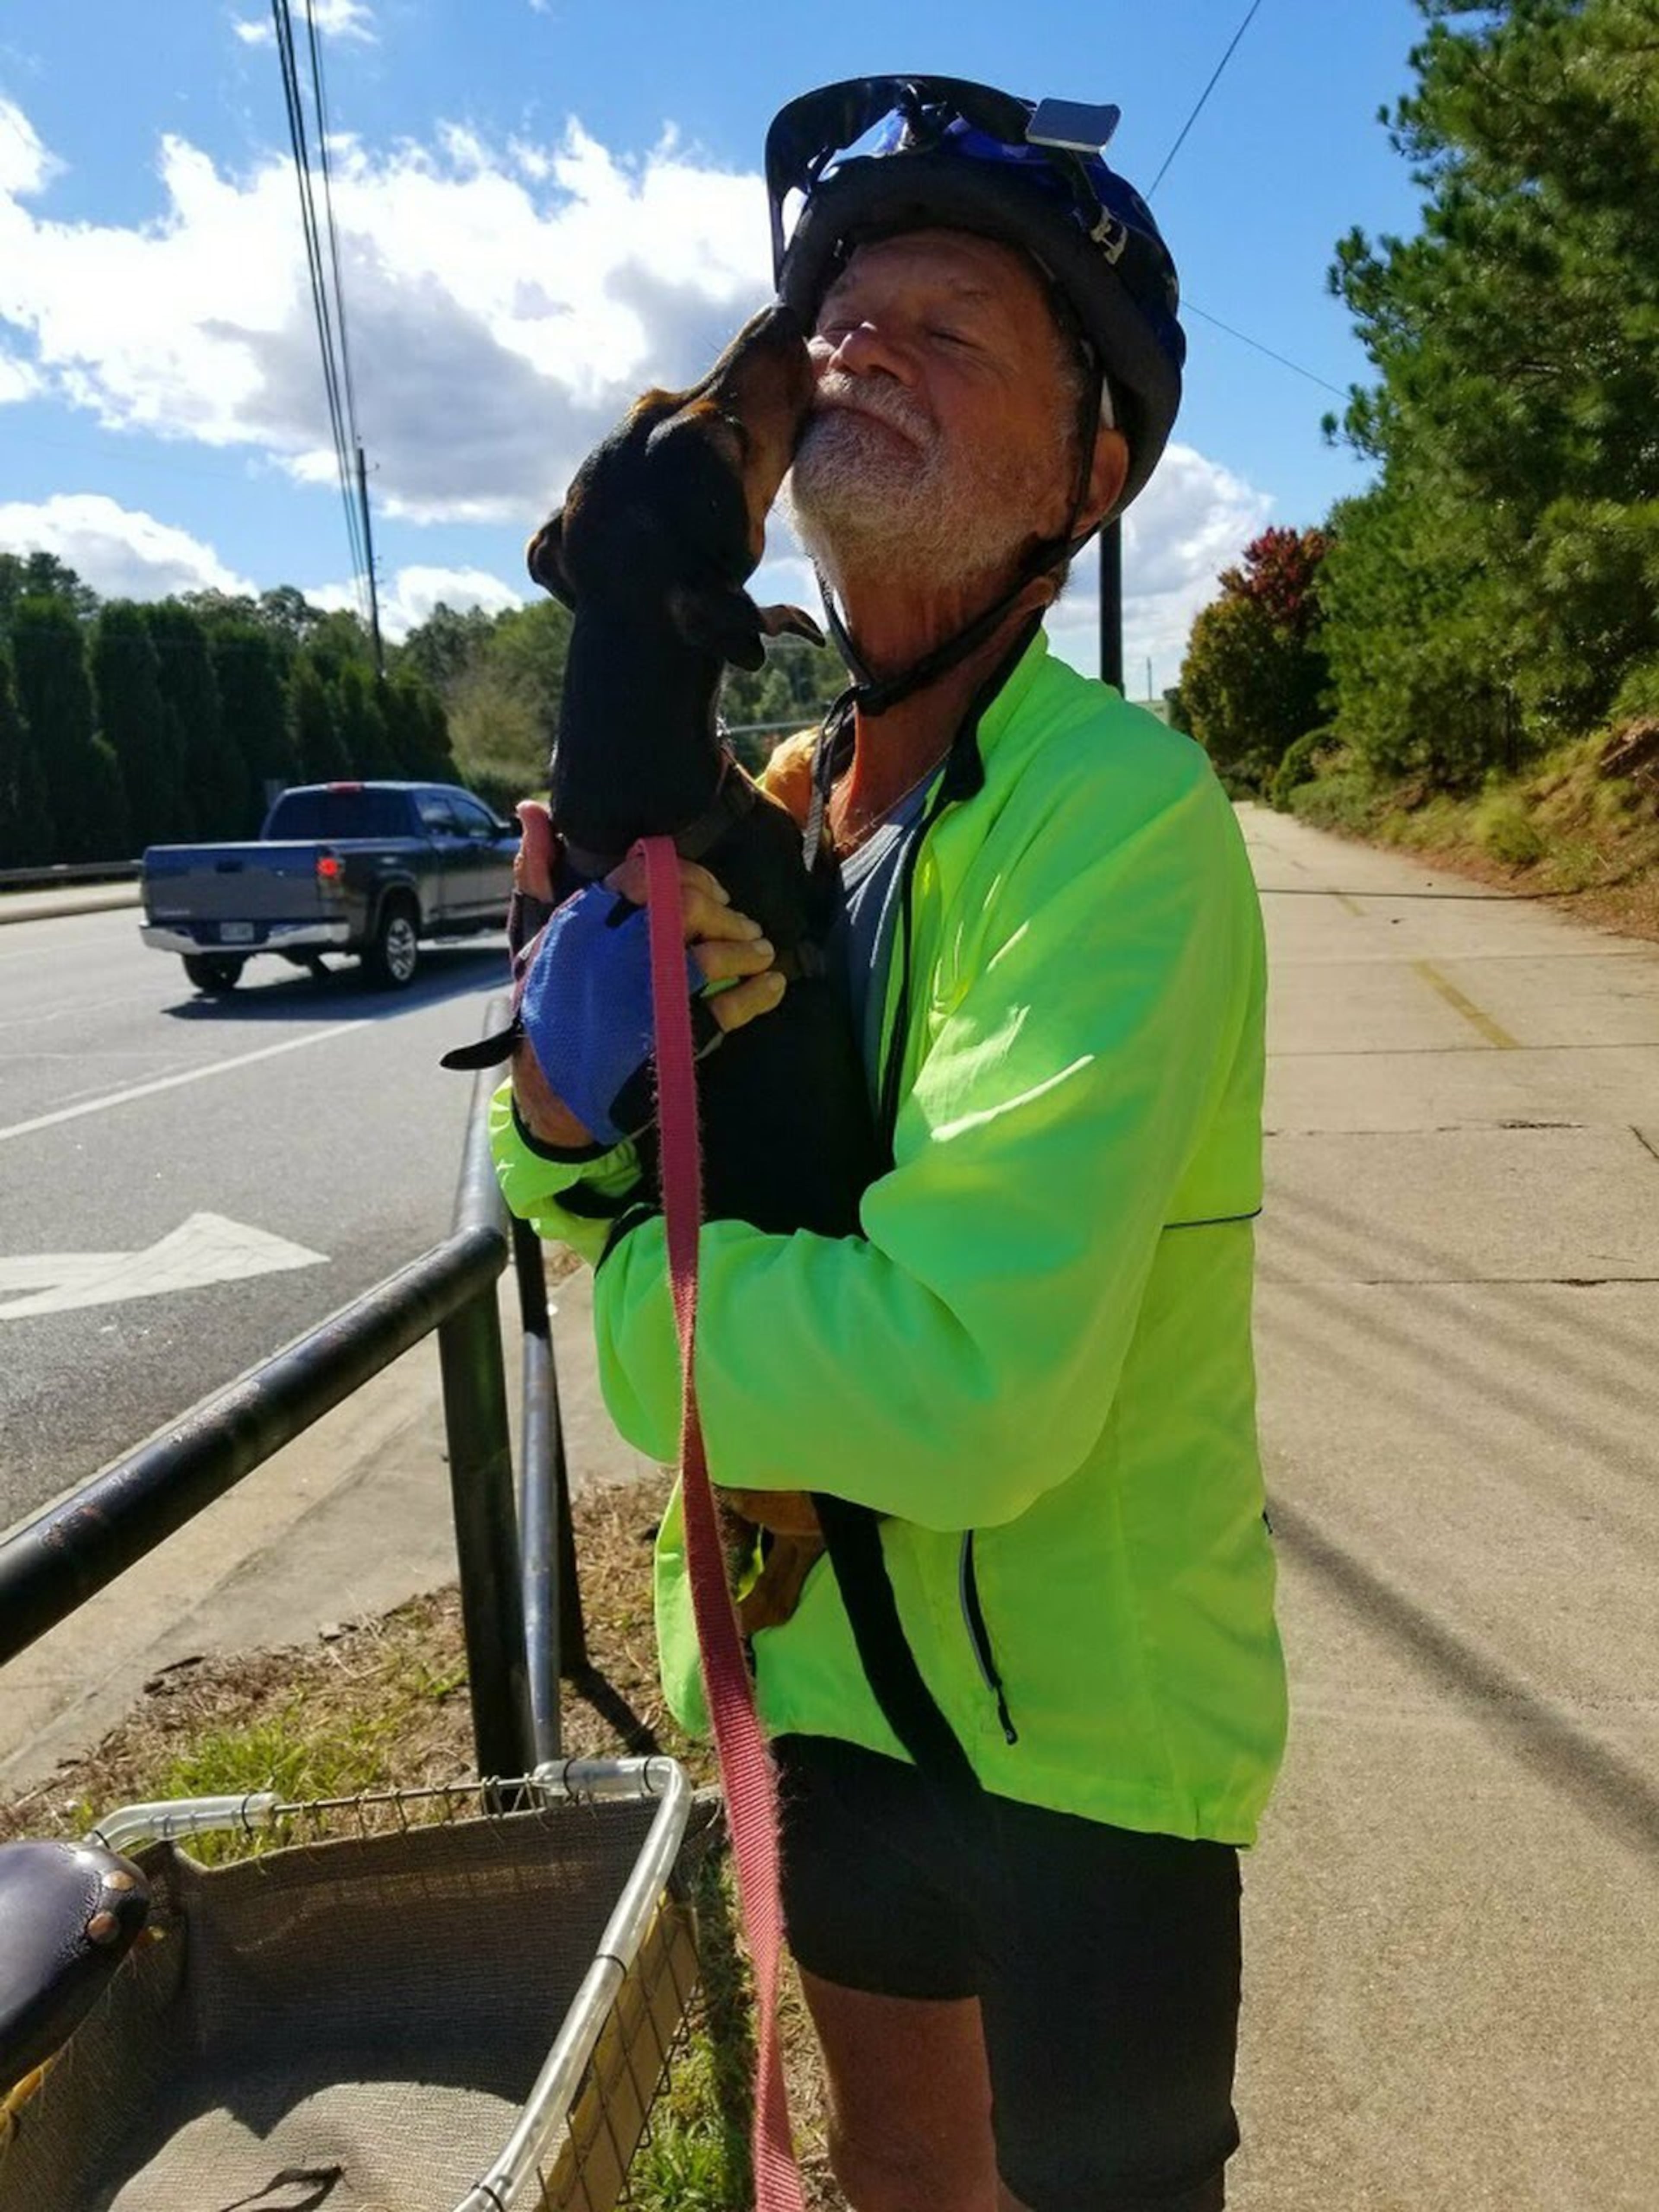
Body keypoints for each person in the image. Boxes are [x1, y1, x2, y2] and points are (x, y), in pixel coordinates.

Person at [492, 76, 1287, 2212]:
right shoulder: (774, 801)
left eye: (950, 327)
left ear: (1089, 472)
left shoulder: (1121, 817)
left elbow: (967, 1379)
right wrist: (561, 1116)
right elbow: (574, 1175)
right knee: (900, 2183)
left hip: (1083, 1758)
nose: (858, 344)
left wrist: (643, 1303)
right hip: (822, 1698)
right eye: (846, 312)